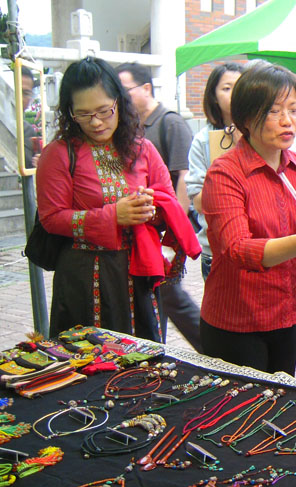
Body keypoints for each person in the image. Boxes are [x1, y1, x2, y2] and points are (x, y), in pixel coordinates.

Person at [200, 63, 296, 375]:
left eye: (294, 110)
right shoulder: (225, 172)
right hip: (236, 318)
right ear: (246, 118)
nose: (287, 121)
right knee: (241, 418)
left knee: (280, 406)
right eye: (273, 111)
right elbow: (237, 250)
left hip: (284, 313)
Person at [36, 57, 200, 341]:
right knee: (88, 361)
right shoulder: (59, 154)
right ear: (69, 113)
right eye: (83, 114)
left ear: (119, 103)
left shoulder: (143, 149)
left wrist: (150, 209)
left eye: (104, 110)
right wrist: (113, 215)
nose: (96, 122)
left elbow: (169, 204)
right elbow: (51, 218)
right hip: (83, 276)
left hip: (139, 270)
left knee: (143, 359)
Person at [117, 62, 202, 351]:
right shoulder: (130, 129)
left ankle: (213, 350)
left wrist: (172, 230)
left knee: (169, 293)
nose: (120, 98)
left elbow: (184, 176)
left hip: (166, 230)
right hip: (147, 232)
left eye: (124, 90)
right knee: (160, 295)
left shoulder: (169, 122)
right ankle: (159, 347)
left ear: (146, 88)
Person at [185, 62, 243, 281]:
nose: (234, 94)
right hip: (216, 250)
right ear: (213, 96)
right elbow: (199, 202)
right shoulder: (202, 141)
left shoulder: (261, 135)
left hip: (260, 246)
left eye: (239, 86)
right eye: (226, 88)